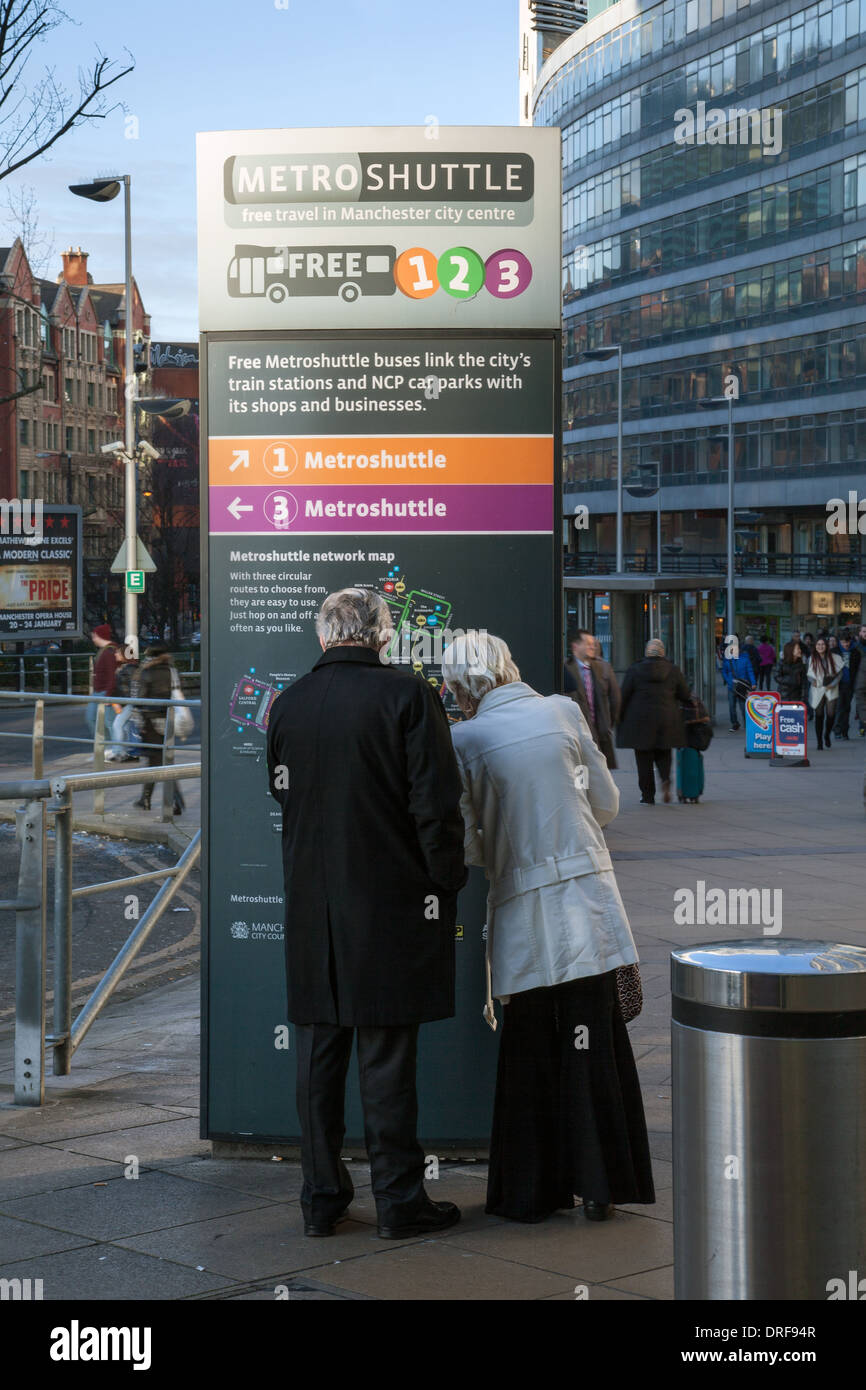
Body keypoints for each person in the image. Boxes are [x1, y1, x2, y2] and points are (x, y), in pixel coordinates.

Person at [266, 588, 467, 1240]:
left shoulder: (289, 704)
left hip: (310, 909)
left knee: (317, 1061)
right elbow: (435, 806)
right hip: (389, 906)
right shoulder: (409, 698)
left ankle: (320, 1201)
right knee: (386, 1064)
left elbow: (279, 789)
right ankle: (400, 1203)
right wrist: (446, 882)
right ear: (383, 636)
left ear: (324, 637)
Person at [443, 630, 654, 1224]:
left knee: (530, 1045)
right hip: (587, 895)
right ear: (509, 666)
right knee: (595, 1038)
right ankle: (602, 1185)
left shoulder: (463, 738)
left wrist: (505, 850)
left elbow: (466, 842)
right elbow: (606, 803)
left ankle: (530, 1192)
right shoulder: (562, 710)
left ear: (460, 686)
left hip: (519, 902)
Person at [617, 638, 692, 804]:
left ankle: (647, 795)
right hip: (667, 719)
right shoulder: (672, 670)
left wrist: (619, 718)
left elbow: (624, 695)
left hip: (640, 722)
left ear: (647, 653)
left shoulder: (635, 669)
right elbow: (685, 695)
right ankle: (665, 779)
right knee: (664, 753)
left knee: (643, 760)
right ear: (663, 652)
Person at [133, 644, 184, 814]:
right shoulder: (172, 671)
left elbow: (140, 700)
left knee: (157, 762)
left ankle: (175, 801)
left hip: (151, 722)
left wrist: (140, 721)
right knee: (162, 760)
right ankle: (146, 799)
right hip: (168, 720)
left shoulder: (147, 672)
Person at [563, 628, 620, 769]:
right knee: (581, 780)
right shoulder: (565, 669)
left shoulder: (604, 668)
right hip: (578, 736)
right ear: (575, 646)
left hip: (600, 736)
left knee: (601, 780)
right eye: (588, 643)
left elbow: (615, 700)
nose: (592, 646)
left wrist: (608, 723)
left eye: (593, 643)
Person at [87, 624, 119, 756]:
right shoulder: (104, 650)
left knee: (109, 722)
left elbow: (112, 675)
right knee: (93, 718)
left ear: (100, 636)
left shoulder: (109, 651)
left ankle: (112, 749)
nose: (93, 639)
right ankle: (105, 748)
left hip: (105, 692)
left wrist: (109, 694)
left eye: (94, 636)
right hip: (99, 692)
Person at [806, 635, 844, 751]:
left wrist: (833, 684)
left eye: (822, 644)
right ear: (815, 646)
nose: (820, 646)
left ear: (826, 646)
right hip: (817, 689)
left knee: (831, 714)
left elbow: (840, 674)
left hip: (831, 688)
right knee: (819, 715)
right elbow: (809, 674)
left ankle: (827, 734)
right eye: (818, 644)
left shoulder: (835, 657)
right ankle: (819, 742)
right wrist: (813, 682)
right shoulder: (811, 658)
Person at [720, 641, 755, 731]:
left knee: (743, 707)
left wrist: (753, 683)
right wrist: (729, 681)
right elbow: (724, 671)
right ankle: (735, 723)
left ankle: (747, 724)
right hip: (732, 686)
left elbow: (750, 671)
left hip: (742, 687)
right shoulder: (727, 660)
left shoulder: (745, 659)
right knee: (732, 706)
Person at [833, 630, 856, 740]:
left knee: (847, 708)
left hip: (850, 684)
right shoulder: (835, 651)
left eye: (847, 642)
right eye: (843, 643)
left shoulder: (855, 651)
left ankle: (845, 731)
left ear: (850, 641)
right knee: (839, 708)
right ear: (839, 642)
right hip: (839, 684)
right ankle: (837, 730)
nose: (845, 645)